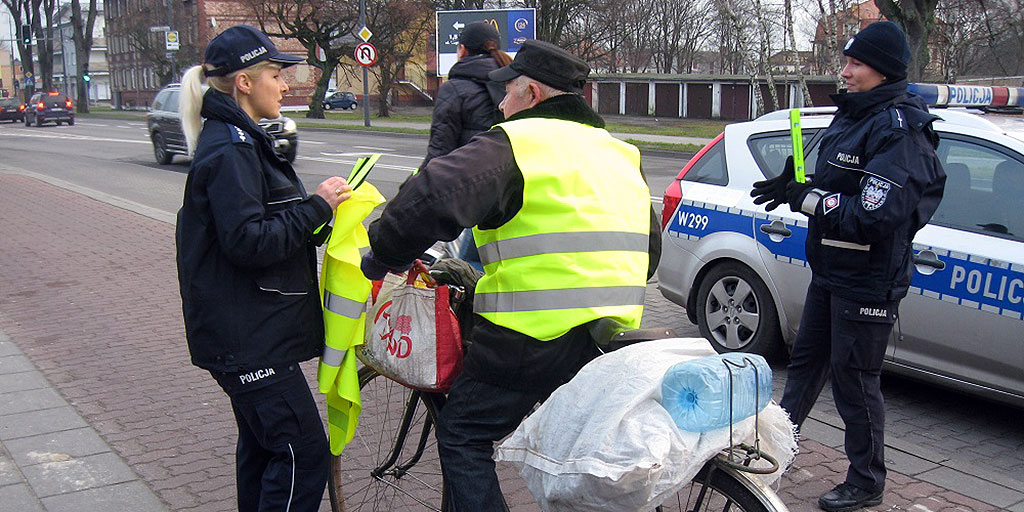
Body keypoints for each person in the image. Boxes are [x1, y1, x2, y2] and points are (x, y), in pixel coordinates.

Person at [360, 39, 662, 511]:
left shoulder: (517, 143)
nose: (501, 104)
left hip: (531, 339)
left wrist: (383, 251)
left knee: (463, 432)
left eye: (507, 92)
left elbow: (433, 194)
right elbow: (650, 252)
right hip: (608, 337)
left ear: (533, 94)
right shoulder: (622, 153)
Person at [750, 21, 945, 512]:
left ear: (883, 71)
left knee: (854, 380)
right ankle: (772, 453)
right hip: (831, 269)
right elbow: (840, 183)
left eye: (856, 64)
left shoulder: (899, 131)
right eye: (847, 61)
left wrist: (808, 198)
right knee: (804, 368)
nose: (845, 71)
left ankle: (867, 480)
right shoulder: (855, 114)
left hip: (868, 279)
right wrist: (796, 184)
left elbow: (873, 216)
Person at [175, 25, 351, 511]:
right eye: (276, 74)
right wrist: (316, 207)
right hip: (248, 339)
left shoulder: (241, 140)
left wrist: (320, 218)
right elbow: (249, 242)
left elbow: (263, 228)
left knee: (262, 450)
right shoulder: (231, 149)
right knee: (302, 454)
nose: (285, 84)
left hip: (249, 331)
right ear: (244, 83)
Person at [421, 20, 511, 168]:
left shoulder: (453, 89)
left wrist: (417, 180)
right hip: (507, 175)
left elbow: (440, 151)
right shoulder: (512, 84)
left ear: (462, 50)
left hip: (469, 176)